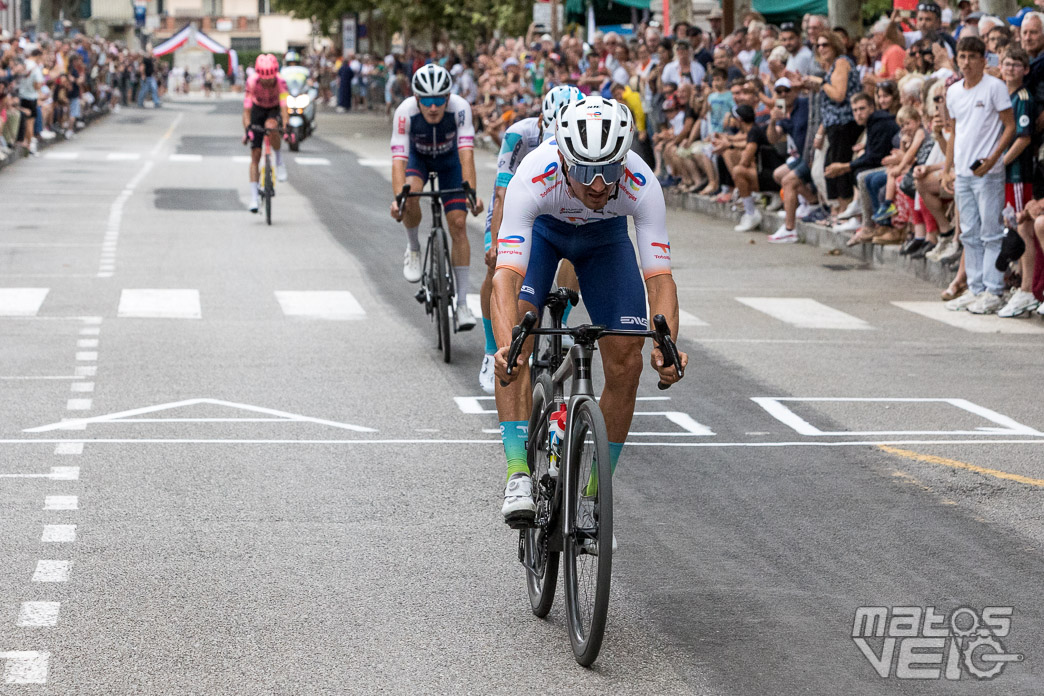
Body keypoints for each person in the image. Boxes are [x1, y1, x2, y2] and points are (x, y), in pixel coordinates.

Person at [491, 96, 688, 527]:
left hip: (604, 242)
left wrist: (668, 346)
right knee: (517, 345)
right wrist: (507, 343)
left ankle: (595, 493)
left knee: (626, 363)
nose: (598, 185)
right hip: (544, 235)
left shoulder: (641, 180)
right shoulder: (534, 175)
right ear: (562, 158)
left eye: (609, 171)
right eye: (584, 172)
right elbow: (504, 277)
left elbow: (660, 278)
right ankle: (518, 474)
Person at [476, 85, 584, 394]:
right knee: (495, 266)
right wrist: (494, 243)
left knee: (574, 248)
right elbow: (501, 192)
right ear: (542, 120)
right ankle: (489, 348)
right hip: (518, 202)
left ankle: (560, 321)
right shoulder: (518, 136)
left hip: (557, 204)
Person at [389, 64, 484, 331]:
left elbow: (466, 154)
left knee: (458, 224)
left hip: (450, 161)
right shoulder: (404, 112)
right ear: (417, 99)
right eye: (427, 101)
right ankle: (414, 248)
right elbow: (399, 160)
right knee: (409, 196)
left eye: (439, 99)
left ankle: (463, 303)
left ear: (448, 97)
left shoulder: (460, 108)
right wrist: (399, 200)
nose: (433, 107)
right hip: (418, 159)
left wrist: (471, 194)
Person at [942, 36, 1015, 315]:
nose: (967, 62)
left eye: (973, 57)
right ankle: (975, 288)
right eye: (962, 56)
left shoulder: (994, 87)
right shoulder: (953, 92)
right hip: (963, 172)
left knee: (990, 231)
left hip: (988, 171)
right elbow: (955, 133)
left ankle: (993, 289)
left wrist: (993, 158)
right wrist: (948, 169)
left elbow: (1009, 126)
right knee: (969, 232)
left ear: (984, 60)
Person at [998, 47, 1039, 318]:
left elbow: (1023, 138)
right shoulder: (1004, 96)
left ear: (1025, 70)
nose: (1011, 69)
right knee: (1012, 225)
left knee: (1023, 228)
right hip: (1006, 176)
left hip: (1018, 174)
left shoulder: (1023, 98)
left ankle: (1029, 288)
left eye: (1016, 65)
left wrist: (1000, 163)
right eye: (1006, 64)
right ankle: (1022, 282)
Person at [242, 54, 289, 213]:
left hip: (274, 109)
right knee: (255, 154)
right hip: (257, 109)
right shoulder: (252, 82)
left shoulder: (281, 82)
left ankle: (279, 160)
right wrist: (248, 129)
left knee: (271, 125)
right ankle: (254, 198)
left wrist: (286, 125)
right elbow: (246, 110)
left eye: (270, 79)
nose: (267, 82)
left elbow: (284, 107)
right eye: (264, 79)